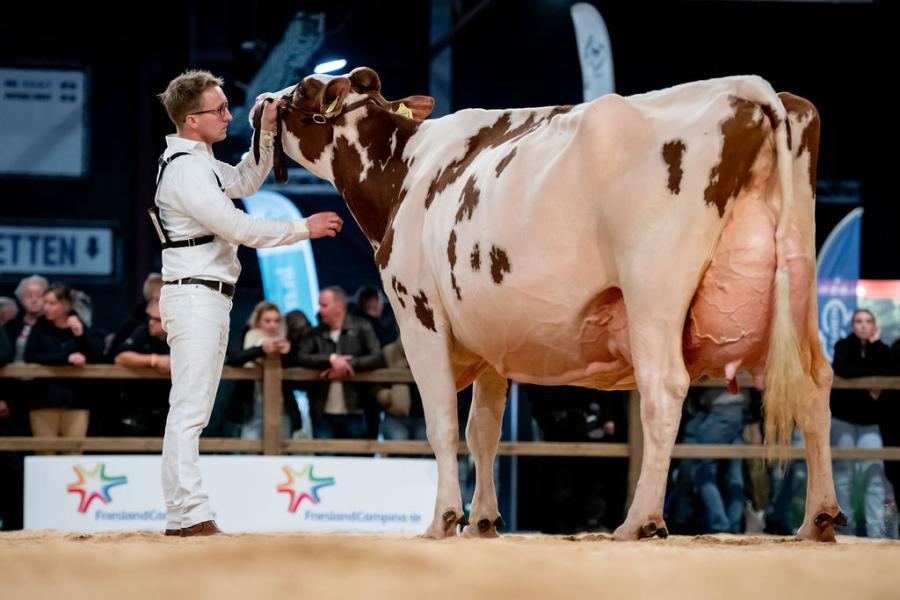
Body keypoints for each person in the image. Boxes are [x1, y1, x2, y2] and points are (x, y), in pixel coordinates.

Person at [154, 69, 343, 537]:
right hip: (195, 294)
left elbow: (245, 180)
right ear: (192, 120)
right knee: (190, 410)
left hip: (207, 295)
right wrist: (302, 228)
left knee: (192, 408)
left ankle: (183, 515)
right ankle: (189, 515)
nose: (227, 115)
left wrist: (266, 131)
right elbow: (238, 226)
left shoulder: (199, 163)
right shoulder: (185, 169)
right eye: (219, 109)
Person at [294, 287, 384, 440]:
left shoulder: (362, 327)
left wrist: (348, 365)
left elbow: (378, 357)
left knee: (354, 454)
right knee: (324, 454)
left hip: (357, 409)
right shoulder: (314, 333)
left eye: (324, 305)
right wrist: (331, 359)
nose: (320, 310)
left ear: (339, 307)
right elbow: (300, 357)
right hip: (322, 411)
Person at [831, 308, 891, 537]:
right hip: (843, 420)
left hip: (870, 422)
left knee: (874, 475)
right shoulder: (842, 345)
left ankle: (876, 532)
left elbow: (886, 371)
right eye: (859, 321)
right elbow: (843, 368)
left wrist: (875, 348)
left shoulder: (882, 349)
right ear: (852, 325)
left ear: (874, 325)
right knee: (843, 477)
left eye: (868, 321)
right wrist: (871, 377)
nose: (863, 325)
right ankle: (846, 530)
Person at [23, 283, 104, 452]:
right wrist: (66, 359)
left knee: (73, 454)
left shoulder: (79, 326)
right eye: (45, 302)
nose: (46, 307)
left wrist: (80, 335)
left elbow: (96, 355)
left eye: (52, 303)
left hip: (75, 401)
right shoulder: (39, 328)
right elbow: (30, 356)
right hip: (44, 401)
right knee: (45, 454)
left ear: (66, 305)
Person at [225, 301, 293, 439]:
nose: (272, 325)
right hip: (251, 403)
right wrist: (261, 349)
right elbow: (234, 358)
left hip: (281, 405)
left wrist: (287, 352)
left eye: (276, 321)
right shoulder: (247, 335)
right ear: (257, 321)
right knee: (249, 442)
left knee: (281, 442)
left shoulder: (286, 339)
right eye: (267, 321)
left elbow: (295, 364)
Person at [111, 301, 171, 436]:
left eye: (157, 320)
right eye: (150, 318)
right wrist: (154, 360)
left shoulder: (181, 337)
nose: (151, 323)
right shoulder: (143, 331)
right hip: (139, 403)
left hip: (169, 404)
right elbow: (120, 356)